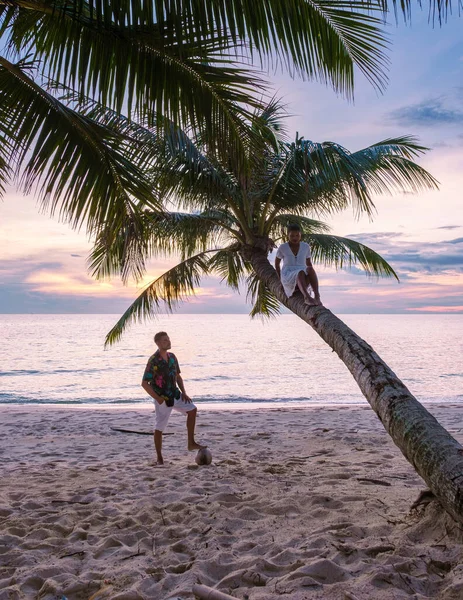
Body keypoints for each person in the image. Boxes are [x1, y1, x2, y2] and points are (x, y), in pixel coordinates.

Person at [141, 331, 205, 465]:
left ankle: (191, 443)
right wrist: (158, 398)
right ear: (158, 343)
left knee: (192, 410)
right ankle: (159, 458)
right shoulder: (153, 360)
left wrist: (184, 392)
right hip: (163, 398)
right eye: (165, 340)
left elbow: (177, 376)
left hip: (175, 394)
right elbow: (144, 383)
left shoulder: (172, 357)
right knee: (159, 427)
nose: (168, 342)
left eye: (168, 339)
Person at [275, 224, 322, 306]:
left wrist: (311, 275)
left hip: (302, 275)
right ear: (287, 236)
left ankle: (317, 296)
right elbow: (277, 264)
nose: (295, 238)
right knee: (300, 272)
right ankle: (307, 297)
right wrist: (280, 280)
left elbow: (309, 263)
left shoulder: (305, 246)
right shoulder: (283, 247)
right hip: (288, 274)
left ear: (300, 235)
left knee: (309, 269)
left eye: (297, 235)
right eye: (292, 236)